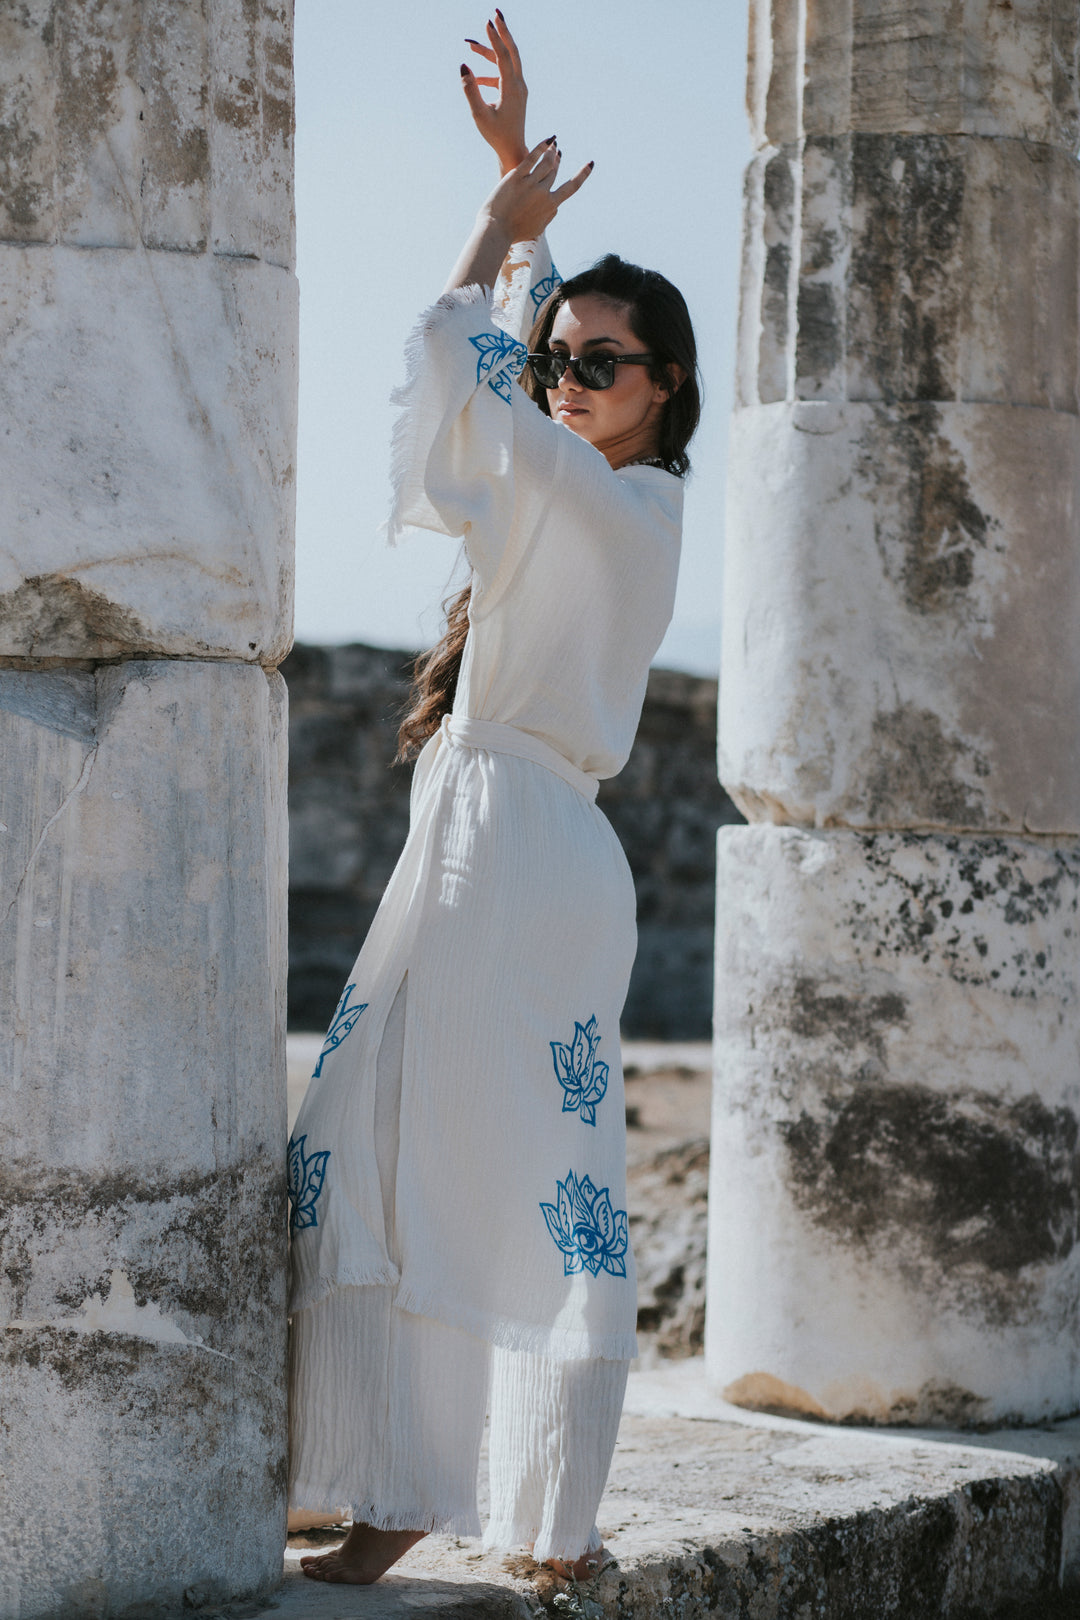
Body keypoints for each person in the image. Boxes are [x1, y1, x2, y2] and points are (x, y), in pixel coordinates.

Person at [288, 13, 701, 1587]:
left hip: (520, 850)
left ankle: (465, 1508)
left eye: (609, 364)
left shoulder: (627, 512)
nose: (574, 380)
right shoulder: (582, 489)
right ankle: (402, 1481)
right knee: (389, 1138)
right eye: (567, 361)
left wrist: (493, 236)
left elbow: (493, 400)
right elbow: (508, 385)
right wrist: (517, 201)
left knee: (464, 1159)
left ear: (665, 390)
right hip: (497, 841)